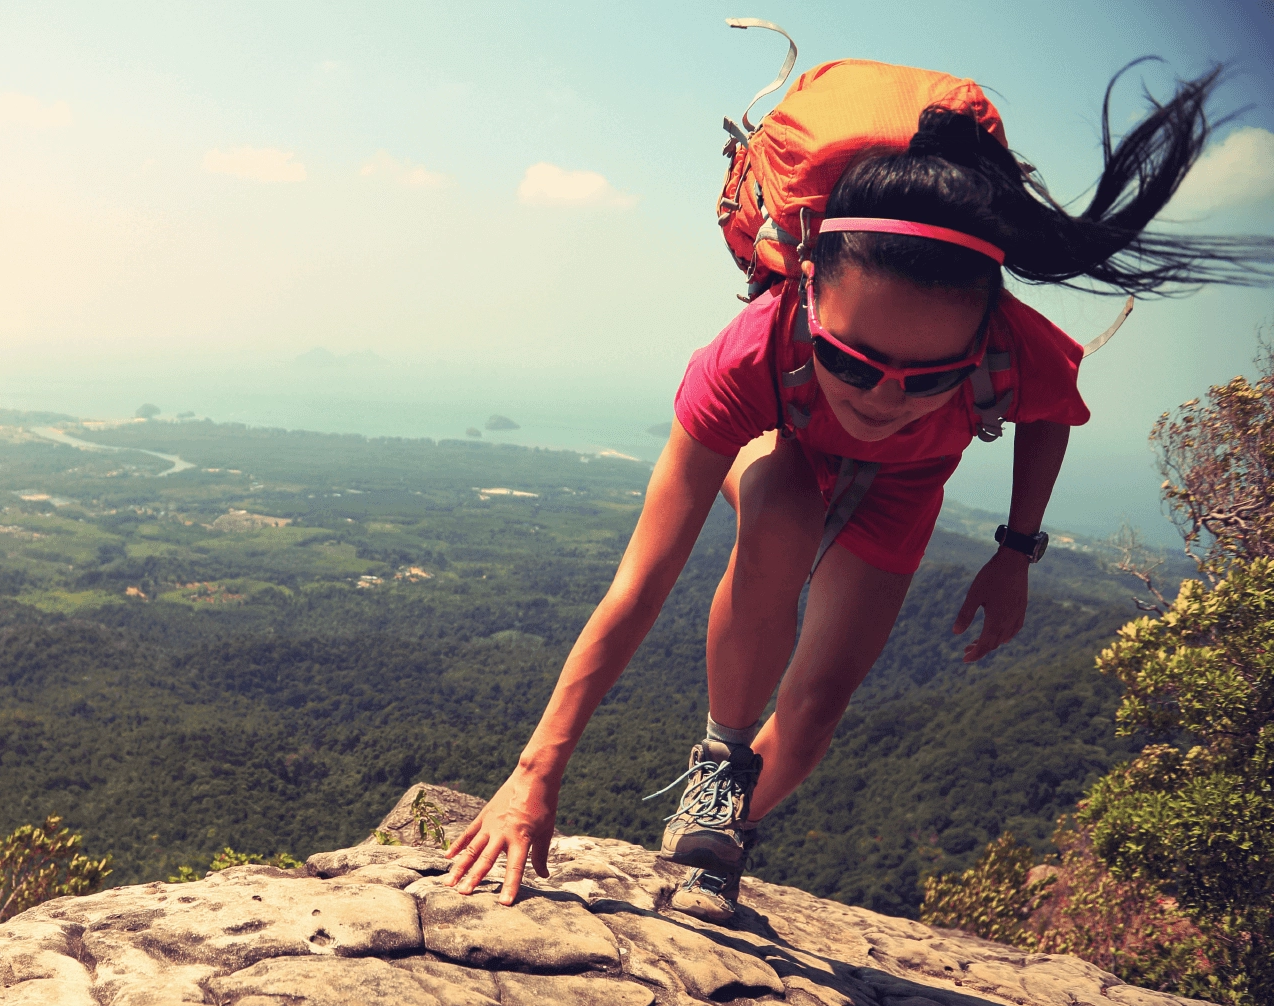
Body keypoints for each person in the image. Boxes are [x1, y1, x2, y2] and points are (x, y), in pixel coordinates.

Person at [442, 62, 1273, 921]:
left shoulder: (1013, 348)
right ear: (807, 293)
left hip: (906, 485)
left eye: (930, 378)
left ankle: (719, 834)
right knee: (781, 513)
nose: (882, 398)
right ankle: (722, 760)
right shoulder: (749, 355)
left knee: (812, 711)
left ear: (981, 335)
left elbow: (1051, 409)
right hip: (788, 441)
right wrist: (534, 773)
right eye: (852, 359)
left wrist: (1016, 552)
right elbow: (640, 584)